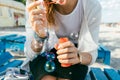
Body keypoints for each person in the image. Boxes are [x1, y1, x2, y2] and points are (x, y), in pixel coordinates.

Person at [23, 0, 102, 80]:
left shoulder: (91, 6)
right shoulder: (35, 3)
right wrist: (39, 36)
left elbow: (90, 54)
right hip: (44, 55)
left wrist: (78, 57)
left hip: (74, 58)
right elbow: (31, 54)